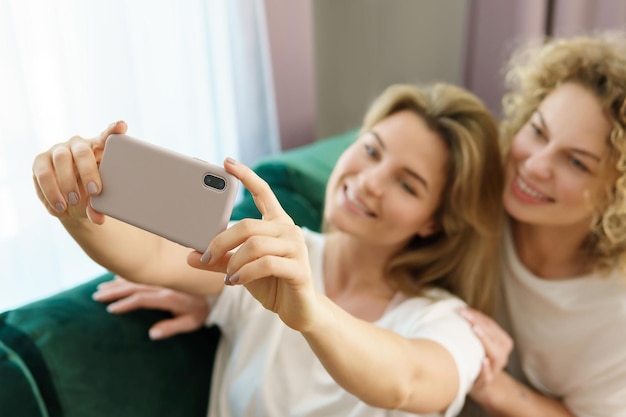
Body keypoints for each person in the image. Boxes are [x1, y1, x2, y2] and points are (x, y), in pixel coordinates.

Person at [33, 83, 504, 416]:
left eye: (407, 184)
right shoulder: (273, 248)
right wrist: (74, 205)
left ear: (434, 222)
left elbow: (408, 383)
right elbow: (152, 256)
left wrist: (312, 313)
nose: (370, 181)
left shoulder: (448, 323)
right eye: (372, 150)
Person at [457, 32, 626, 417]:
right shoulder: (477, 197)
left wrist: (495, 387)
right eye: (537, 131)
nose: (534, 165)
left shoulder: (615, 315)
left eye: (577, 162)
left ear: (617, 196)